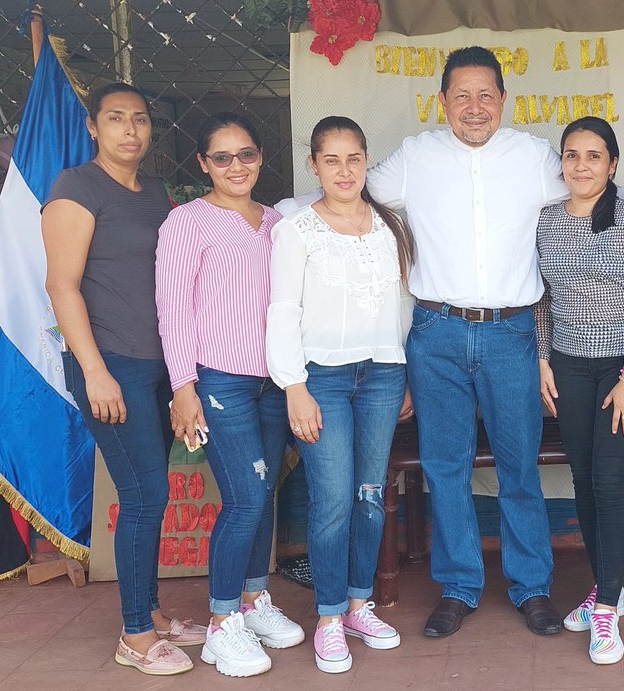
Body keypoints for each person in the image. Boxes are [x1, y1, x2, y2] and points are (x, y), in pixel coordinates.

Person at [367, 46, 569, 639]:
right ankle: (459, 585)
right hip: (436, 333)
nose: (474, 108)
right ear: (442, 101)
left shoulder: (534, 157)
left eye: (486, 96)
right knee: (445, 466)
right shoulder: (415, 157)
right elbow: (350, 195)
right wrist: (281, 219)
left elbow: (596, 190)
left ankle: (531, 586)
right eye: (462, 96)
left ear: (504, 100)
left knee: (518, 466)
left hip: (512, 333)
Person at [43, 82, 202, 676]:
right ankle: (134, 637)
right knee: (143, 496)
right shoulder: (75, 188)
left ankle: (152, 614)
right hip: (110, 364)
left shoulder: (157, 193)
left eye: (139, 119)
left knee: (150, 496)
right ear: (93, 126)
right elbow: (61, 284)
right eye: (116, 119)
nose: (130, 130)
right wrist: (94, 372)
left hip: (159, 366)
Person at [155, 113, 305, 678]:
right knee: (243, 497)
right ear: (203, 165)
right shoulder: (186, 224)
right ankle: (221, 625)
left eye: (246, 154)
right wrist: (183, 387)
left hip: (272, 381)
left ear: (261, 157)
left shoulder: (277, 221)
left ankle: (252, 601)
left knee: (263, 493)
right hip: (217, 380)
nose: (236, 166)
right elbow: (174, 311)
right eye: (222, 158)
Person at [267, 116, 415, 674]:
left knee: (370, 495)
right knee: (331, 500)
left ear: (365, 160)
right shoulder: (296, 229)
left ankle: (358, 604)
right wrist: (294, 387)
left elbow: (404, 307)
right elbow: (282, 310)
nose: (344, 170)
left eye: (353, 158)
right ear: (314, 166)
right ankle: (328, 619)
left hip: (380, 375)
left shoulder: (389, 226)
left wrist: (403, 375)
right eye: (331, 160)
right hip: (320, 378)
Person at [533, 116, 624, 665]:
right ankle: (610, 587)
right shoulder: (547, 221)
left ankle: (604, 608)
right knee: (582, 478)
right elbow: (541, 299)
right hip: (568, 366)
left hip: (619, 372)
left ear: (612, 164)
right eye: (571, 155)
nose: (581, 166)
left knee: (610, 481)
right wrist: (542, 359)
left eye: (593, 156)